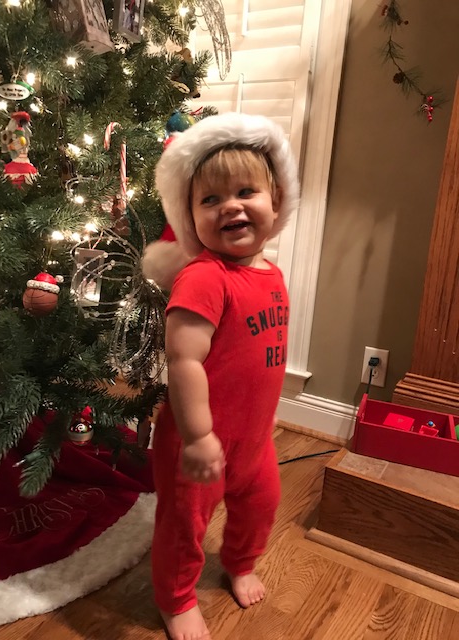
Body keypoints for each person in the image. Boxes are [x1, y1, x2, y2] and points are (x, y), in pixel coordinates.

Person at [148, 112, 299, 640]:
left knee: (261, 505)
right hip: (198, 441)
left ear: (275, 201)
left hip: (253, 439)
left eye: (245, 192)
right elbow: (184, 360)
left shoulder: (271, 273)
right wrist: (198, 436)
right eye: (210, 199)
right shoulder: (204, 279)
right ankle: (175, 598)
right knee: (184, 524)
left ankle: (240, 561)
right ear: (191, 219)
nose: (230, 206)